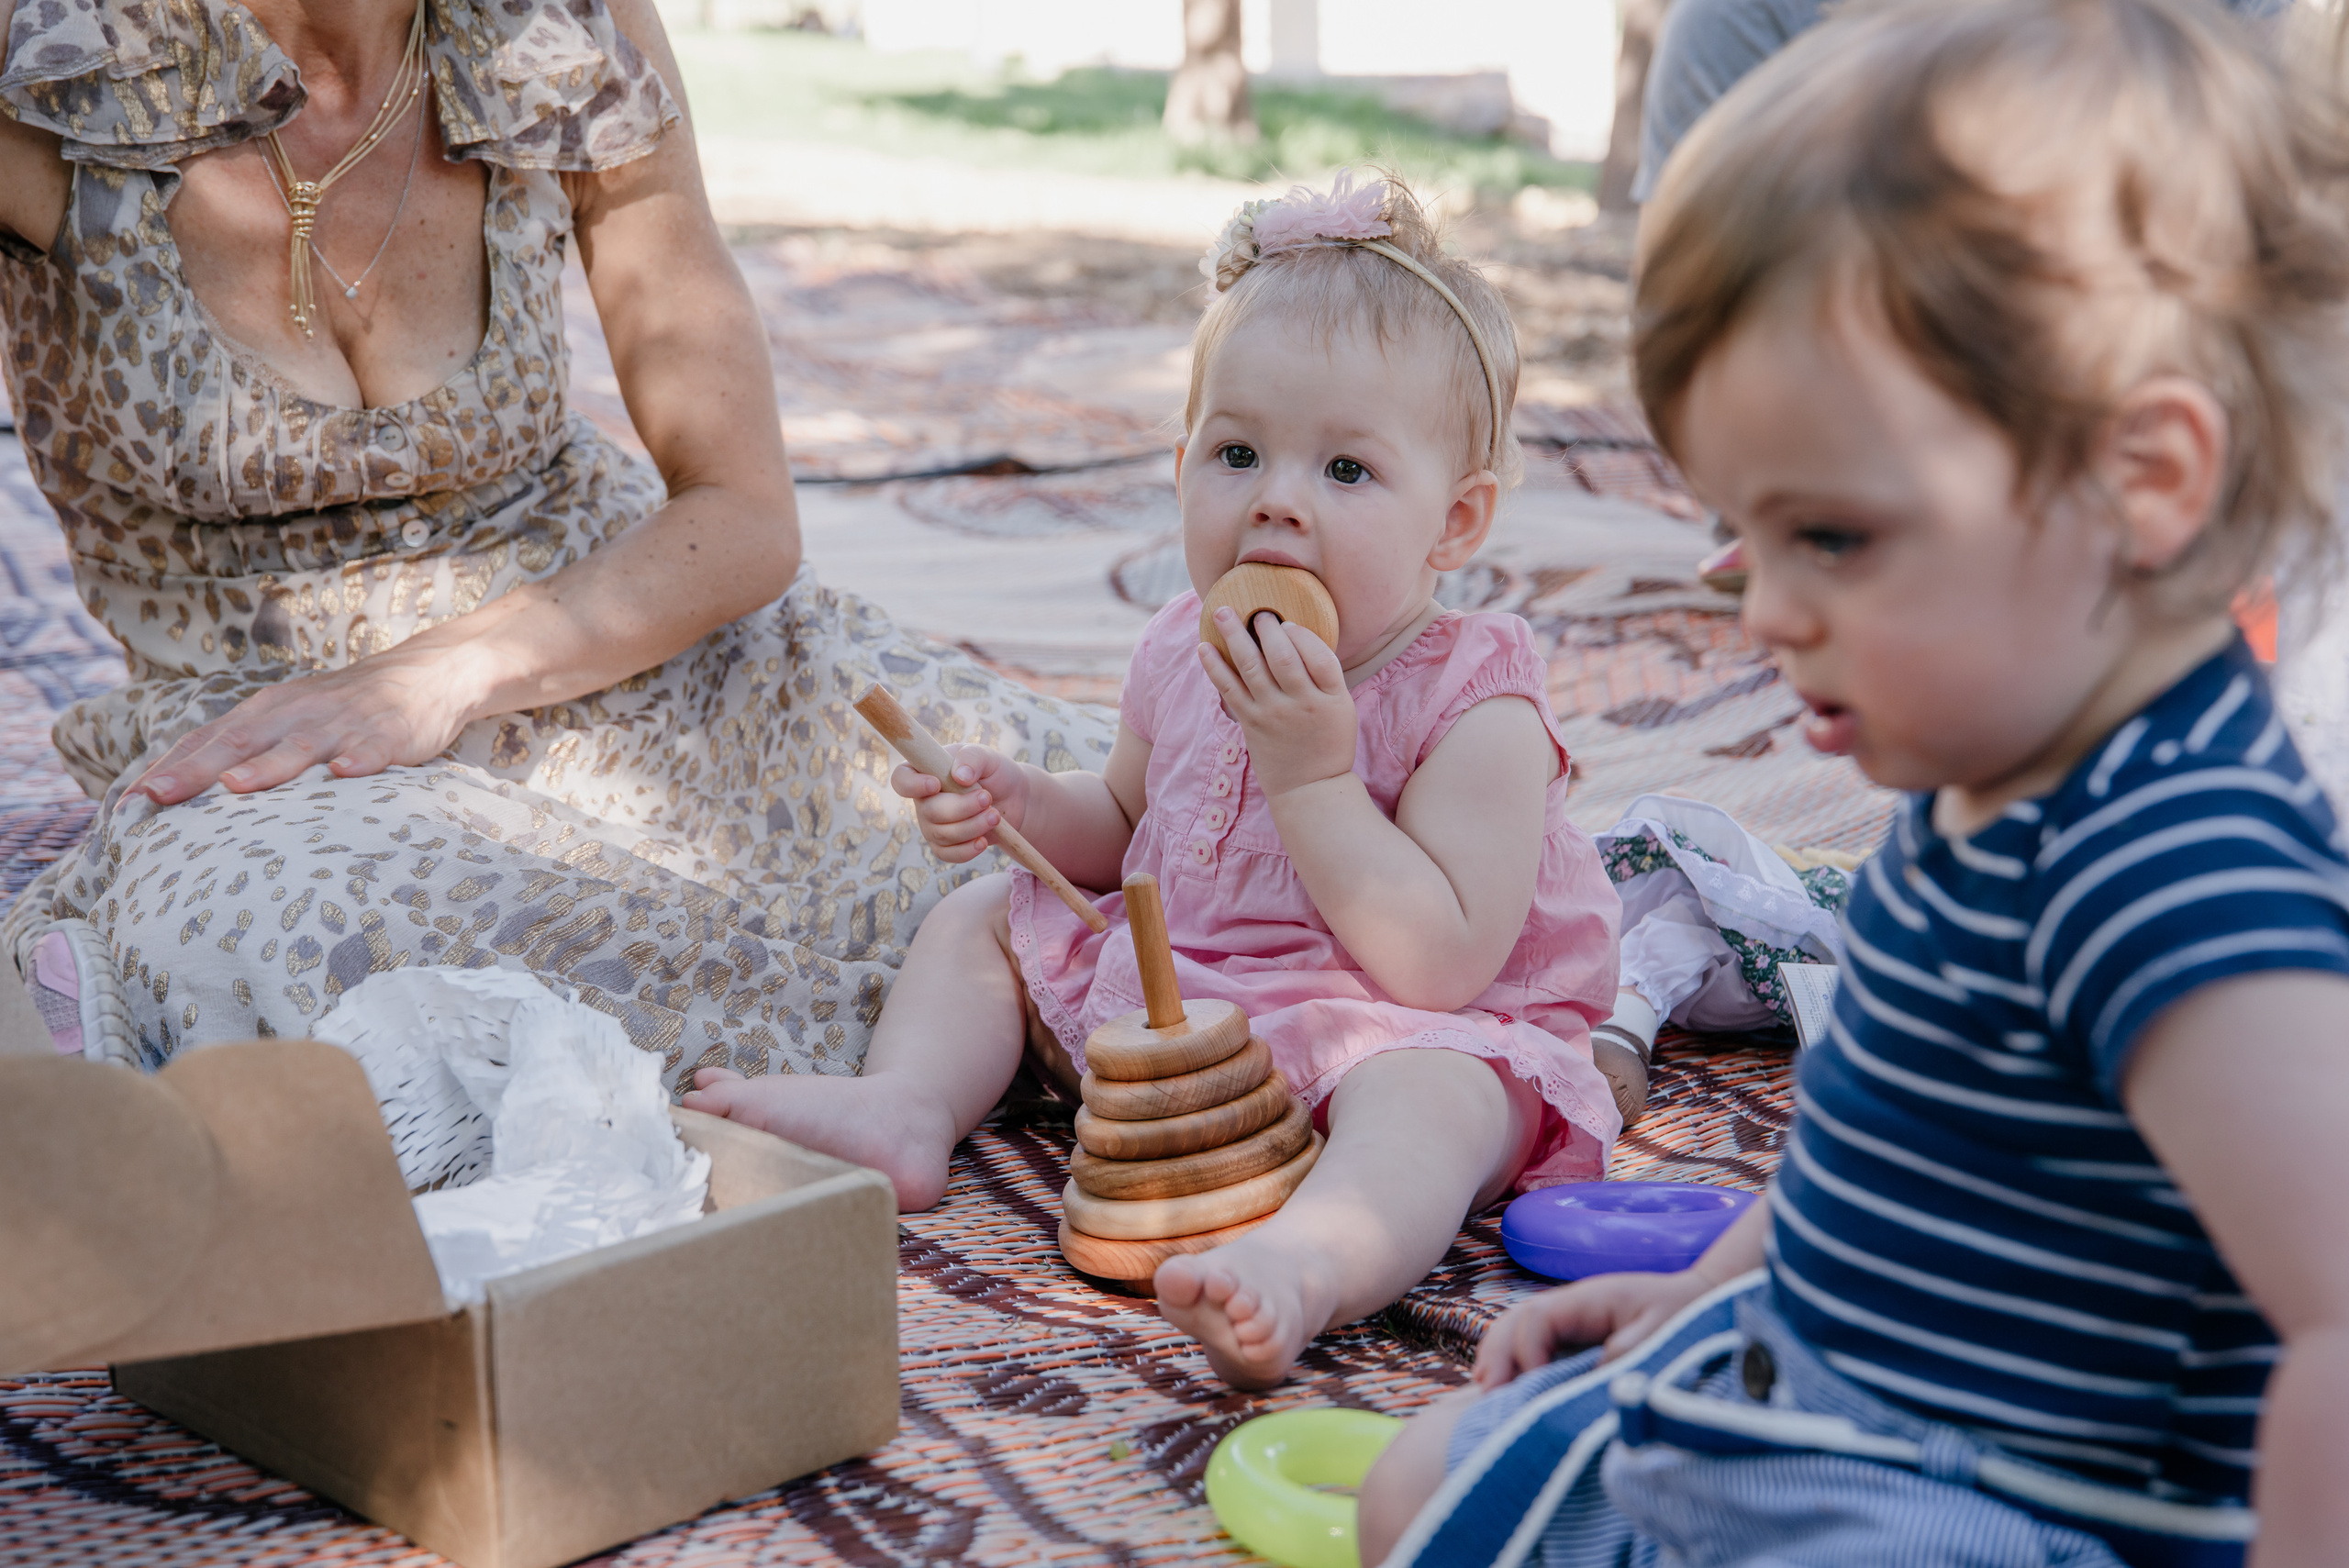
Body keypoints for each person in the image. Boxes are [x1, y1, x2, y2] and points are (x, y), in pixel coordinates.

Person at [1360, 1, 2349, 1563]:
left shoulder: (2180, 864)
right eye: (1748, 535)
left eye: (1831, 537)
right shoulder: (1989, 781)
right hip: (1853, 1393)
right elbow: (1881, 1157)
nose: (1764, 611)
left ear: (2144, 480)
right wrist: (1698, 1295)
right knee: (1417, 1481)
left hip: (2005, 1502)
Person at [0, 0, 1110, 1075]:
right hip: (273, 729)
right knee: (321, 940)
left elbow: (742, 509)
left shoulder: (564, 26)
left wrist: (450, 668)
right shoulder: (52, 58)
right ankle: (955, 1037)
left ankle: (1033, 1025)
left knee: (1120, 818)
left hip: (616, 629)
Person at [685, 172, 1628, 1388]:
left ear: (1456, 524)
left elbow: (1438, 963)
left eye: (1347, 472)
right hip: (1189, 993)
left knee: (1439, 1103)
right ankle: (908, 1107)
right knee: (984, 916)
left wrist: (1314, 777)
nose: (1277, 501)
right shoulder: (1184, 640)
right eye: (1239, 453)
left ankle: (1311, 1260)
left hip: (1384, 1021)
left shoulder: (1475, 701)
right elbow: (1126, 819)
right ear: (1183, 464)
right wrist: (1023, 805)